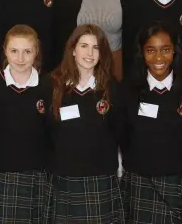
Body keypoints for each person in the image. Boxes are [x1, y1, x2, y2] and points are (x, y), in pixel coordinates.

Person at [44, 24, 125, 223]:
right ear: (73, 49)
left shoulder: (112, 88)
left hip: (101, 179)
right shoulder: (52, 86)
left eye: (96, 47)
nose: (89, 53)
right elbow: (47, 132)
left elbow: (120, 132)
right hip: (65, 178)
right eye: (84, 46)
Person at [120, 21, 182, 224]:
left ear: (175, 51)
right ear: (142, 53)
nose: (158, 58)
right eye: (150, 51)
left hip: (177, 181)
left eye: (165, 50)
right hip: (140, 181)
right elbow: (121, 133)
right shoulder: (129, 89)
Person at [0, 25, 50, 224]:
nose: (20, 58)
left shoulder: (49, 86)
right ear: (5, 50)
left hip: (39, 172)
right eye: (14, 51)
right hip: (1, 173)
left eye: (27, 51)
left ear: (36, 52)